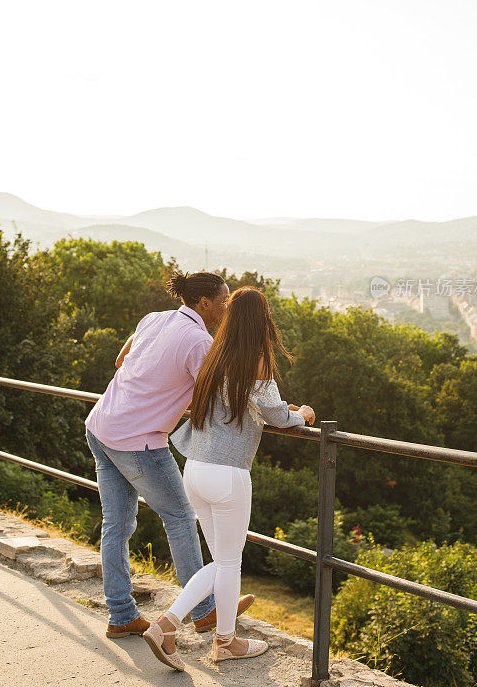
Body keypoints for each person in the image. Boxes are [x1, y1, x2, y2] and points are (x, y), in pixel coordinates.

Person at [142, 286, 315, 670]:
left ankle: (179, 629)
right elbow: (276, 415)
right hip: (229, 474)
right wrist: (302, 413)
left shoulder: (213, 356)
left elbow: (246, 405)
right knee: (229, 561)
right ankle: (213, 638)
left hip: (195, 468)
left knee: (221, 560)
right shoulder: (255, 361)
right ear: (262, 319)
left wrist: (273, 407)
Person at [85, 271, 253, 639]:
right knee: (179, 517)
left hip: (100, 426)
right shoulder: (199, 342)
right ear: (205, 304)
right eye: (225, 301)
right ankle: (206, 611)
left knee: (116, 526)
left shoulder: (155, 318)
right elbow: (219, 400)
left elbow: (120, 360)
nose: (228, 308)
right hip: (137, 442)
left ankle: (121, 614)